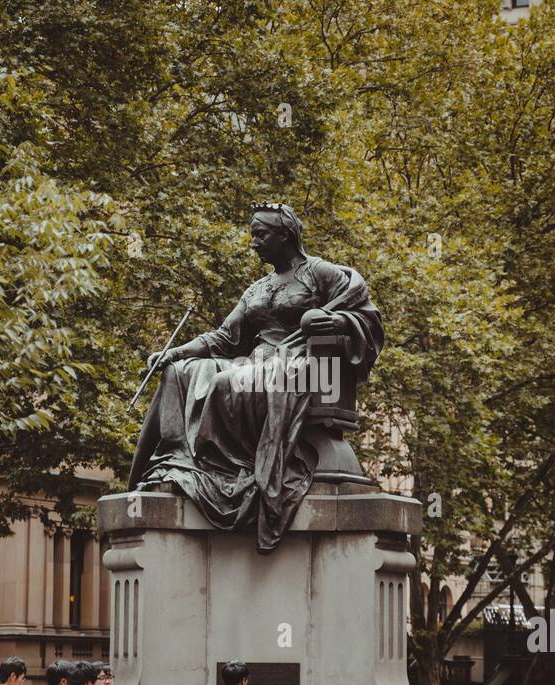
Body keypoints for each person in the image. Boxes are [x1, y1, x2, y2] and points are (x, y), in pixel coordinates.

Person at [128, 203, 384, 552]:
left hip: (299, 366)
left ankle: (220, 468)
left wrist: (337, 322)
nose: (254, 242)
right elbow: (223, 338)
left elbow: (366, 316)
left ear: (285, 235)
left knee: (225, 383)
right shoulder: (256, 289)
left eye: (260, 234)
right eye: (253, 234)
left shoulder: (319, 273)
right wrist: (173, 353)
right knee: (182, 373)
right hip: (254, 361)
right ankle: (180, 466)